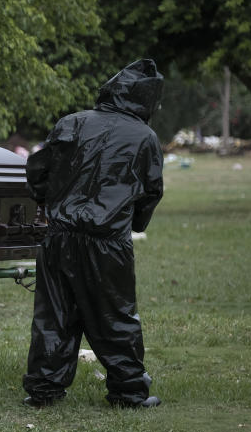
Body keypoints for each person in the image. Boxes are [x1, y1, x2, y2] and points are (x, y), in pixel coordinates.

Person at [22, 58, 165, 409]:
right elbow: (151, 190)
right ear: (146, 101)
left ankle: (43, 390)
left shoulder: (72, 122)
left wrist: (53, 203)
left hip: (59, 235)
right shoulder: (144, 137)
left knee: (54, 314)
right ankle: (128, 392)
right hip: (107, 241)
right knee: (115, 316)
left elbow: (38, 171)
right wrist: (133, 223)